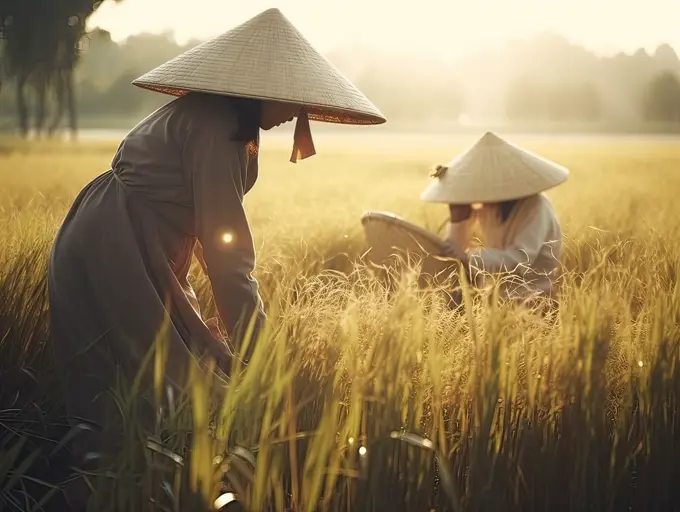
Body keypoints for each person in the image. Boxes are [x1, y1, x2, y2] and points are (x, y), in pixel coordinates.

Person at [47, 7, 385, 493]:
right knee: (160, 387)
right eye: (290, 98)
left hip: (137, 243)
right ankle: (120, 494)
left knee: (163, 381)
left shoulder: (227, 124)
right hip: (114, 245)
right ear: (259, 91)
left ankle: (145, 490)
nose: (296, 111)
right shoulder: (216, 129)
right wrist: (262, 354)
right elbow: (230, 260)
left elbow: (211, 237)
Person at [420, 132, 569, 303]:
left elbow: (519, 259)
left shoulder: (537, 208)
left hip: (535, 299)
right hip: (496, 300)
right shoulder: (489, 207)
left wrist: (468, 257)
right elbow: (454, 255)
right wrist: (458, 219)